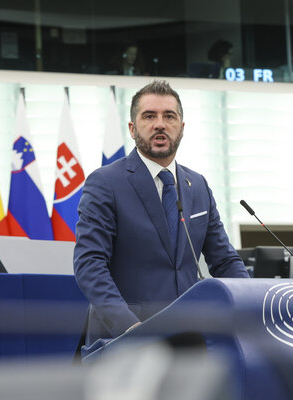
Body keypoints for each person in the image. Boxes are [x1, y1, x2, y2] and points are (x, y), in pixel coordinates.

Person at [74, 79, 249, 351]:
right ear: (132, 129)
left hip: (191, 342)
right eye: (149, 116)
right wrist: (129, 328)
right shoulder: (106, 182)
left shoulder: (198, 185)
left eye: (169, 116)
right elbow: (89, 264)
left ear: (181, 128)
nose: (160, 124)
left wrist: (256, 304)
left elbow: (225, 261)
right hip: (124, 341)